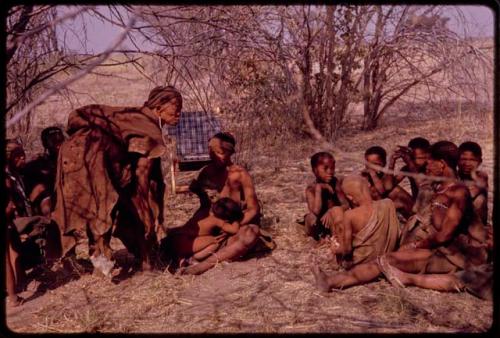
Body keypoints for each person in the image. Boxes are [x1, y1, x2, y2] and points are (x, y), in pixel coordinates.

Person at [312, 141, 490, 296]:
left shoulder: (458, 192)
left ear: (442, 164)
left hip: (460, 256)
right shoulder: (440, 187)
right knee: (386, 259)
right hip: (442, 248)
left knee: (388, 261)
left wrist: (416, 245)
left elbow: (444, 235)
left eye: (430, 162)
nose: (427, 166)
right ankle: (330, 281)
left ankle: (332, 282)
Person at [52, 86, 182, 275]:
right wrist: (145, 210)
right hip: (94, 159)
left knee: (98, 207)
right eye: (176, 106)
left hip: (72, 155)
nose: (179, 112)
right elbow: (142, 177)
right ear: (159, 106)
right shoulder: (149, 128)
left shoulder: (129, 116)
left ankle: (99, 266)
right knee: (134, 207)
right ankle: (146, 264)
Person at [178, 132, 264, 275]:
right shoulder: (206, 172)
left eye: (219, 152)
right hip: (212, 230)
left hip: (234, 227)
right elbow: (205, 206)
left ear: (229, 153)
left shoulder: (240, 174)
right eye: (211, 151)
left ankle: (203, 265)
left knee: (251, 234)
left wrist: (232, 227)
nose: (212, 155)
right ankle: (193, 257)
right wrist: (199, 192)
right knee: (178, 236)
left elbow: (253, 209)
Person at [332, 175, 400, 268]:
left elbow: (347, 250)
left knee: (336, 212)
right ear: (368, 185)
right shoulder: (388, 204)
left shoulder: (350, 215)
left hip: (363, 264)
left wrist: (336, 249)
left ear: (349, 197)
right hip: (387, 259)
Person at [167, 198, 244, 269]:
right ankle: (190, 259)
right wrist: (237, 218)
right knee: (216, 242)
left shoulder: (204, 211)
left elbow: (204, 200)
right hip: (186, 243)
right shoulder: (217, 220)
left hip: (175, 239)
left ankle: (179, 257)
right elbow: (234, 230)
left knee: (203, 238)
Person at [303, 152, 349, 241]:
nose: (330, 172)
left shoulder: (335, 183)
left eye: (332, 168)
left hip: (334, 220)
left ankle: (335, 237)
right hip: (319, 223)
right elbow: (315, 211)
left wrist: (332, 211)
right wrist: (319, 188)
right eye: (325, 168)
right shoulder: (310, 189)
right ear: (315, 170)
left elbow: (346, 205)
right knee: (310, 218)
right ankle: (318, 239)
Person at [22, 126, 65, 216]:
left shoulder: (72, 161)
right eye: (53, 141)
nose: (58, 145)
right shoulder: (37, 164)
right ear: (46, 144)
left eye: (60, 140)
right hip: (47, 201)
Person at [362, 146, 413, 218]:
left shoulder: (383, 176)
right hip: (370, 211)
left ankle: (414, 218)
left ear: (384, 163)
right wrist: (372, 173)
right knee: (395, 191)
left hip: (384, 208)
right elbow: (381, 191)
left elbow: (389, 186)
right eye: (369, 164)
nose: (373, 167)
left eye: (376, 164)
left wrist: (392, 162)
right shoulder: (364, 176)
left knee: (398, 191)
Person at [384, 137, 431, 202]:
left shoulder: (431, 168)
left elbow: (424, 189)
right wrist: (391, 164)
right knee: (394, 191)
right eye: (413, 158)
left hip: (432, 205)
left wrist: (409, 162)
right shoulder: (408, 168)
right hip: (417, 206)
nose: (416, 162)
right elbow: (388, 187)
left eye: (420, 158)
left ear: (428, 155)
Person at [457, 141, 488, 225]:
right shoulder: (454, 176)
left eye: (472, 160)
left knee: (479, 200)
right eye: (463, 159)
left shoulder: (481, 176)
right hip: (454, 219)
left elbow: (470, 195)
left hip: (474, 224)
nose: (467, 164)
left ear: (479, 161)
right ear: (457, 160)